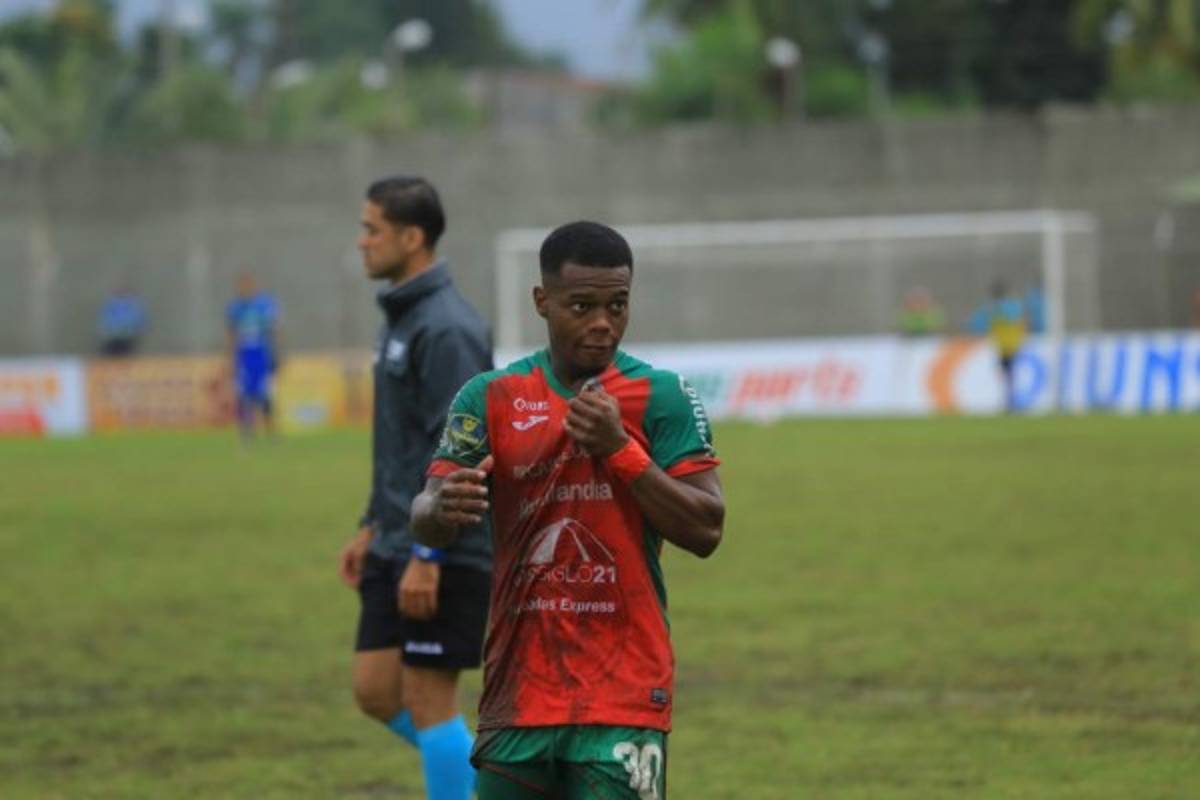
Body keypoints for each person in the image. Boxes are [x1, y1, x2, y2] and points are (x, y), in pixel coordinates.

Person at [411, 220, 726, 798]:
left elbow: (707, 528)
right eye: (582, 306)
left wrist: (619, 449)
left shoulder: (662, 395)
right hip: (518, 693)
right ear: (543, 301)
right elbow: (428, 514)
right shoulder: (491, 396)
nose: (603, 322)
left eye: (617, 305)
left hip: (623, 694)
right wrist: (440, 507)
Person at [336, 176, 493, 800]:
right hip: (396, 538)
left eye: (371, 229)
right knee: (376, 690)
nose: (361, 241)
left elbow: (460, 450)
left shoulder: (447, 328)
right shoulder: (402, 318)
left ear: (412, 238)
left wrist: (429, 554)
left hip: (443, 545)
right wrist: (372, 523)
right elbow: (402, 446)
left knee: (430, 700)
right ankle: (503, 787)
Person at [225, 273, 281, 440]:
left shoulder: (264, 305)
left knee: (265, 393)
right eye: (242, 286)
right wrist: (230, 357)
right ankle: (246, 430)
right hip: (244, 354)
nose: (245, 289)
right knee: (243, 394)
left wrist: (277, 353)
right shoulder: (235, 308)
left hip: (262, 353)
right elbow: (231, 333)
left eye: (248, 285)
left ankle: (270, 429)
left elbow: (274, 330)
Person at [975, 279, 1028, 414]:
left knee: (1008, 375)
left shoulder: (999, 308)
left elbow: (1010, 322)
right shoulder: (1008, 307)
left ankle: (1011, 402)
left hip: (1008, 346)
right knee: (1008, 375)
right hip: (1007, 345)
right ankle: (1009, 401)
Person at [97, 286, 147, 356]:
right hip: (113, 337)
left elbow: (139, 320)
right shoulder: (112, 304)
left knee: (125, 355)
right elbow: (105, 319)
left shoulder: (132, 305)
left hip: (127, 337)